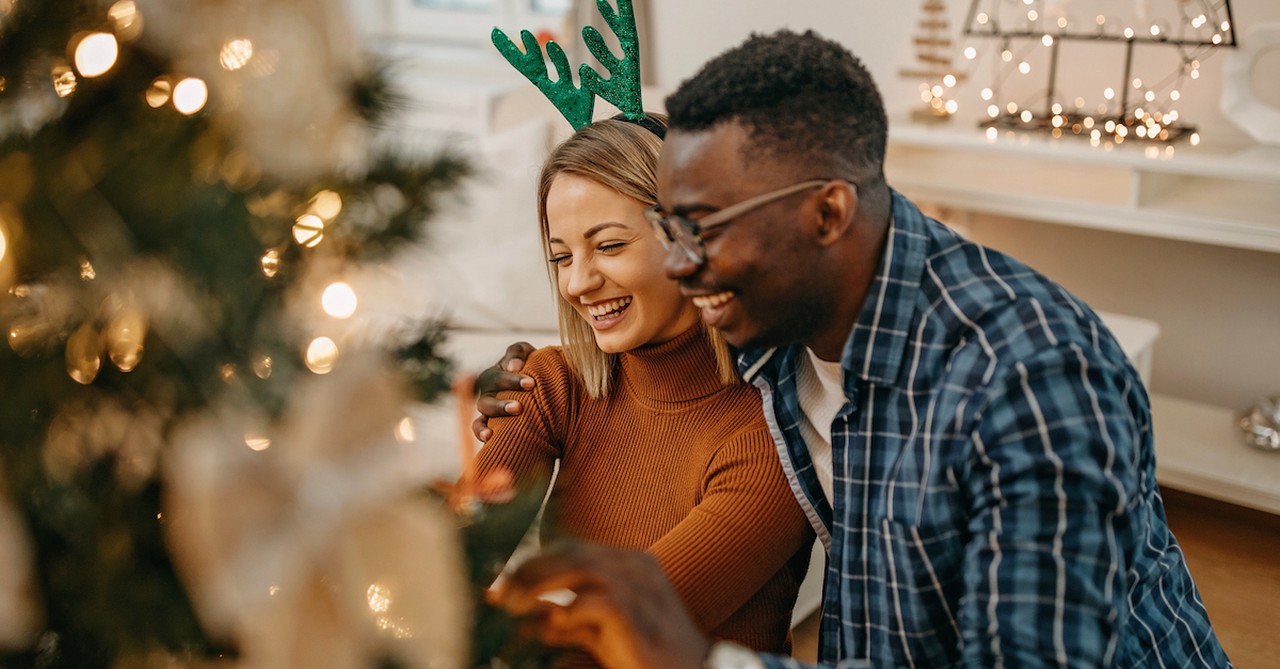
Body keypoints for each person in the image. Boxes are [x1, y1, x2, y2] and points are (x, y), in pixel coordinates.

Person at [476, 30, 1230, 669]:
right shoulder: (778, 336)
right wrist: (514, 388)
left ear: (826, 213)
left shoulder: (1028, 379)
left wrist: (700, 658)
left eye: (700, 228)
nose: (676, 264)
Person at [468, 113, 815, 666]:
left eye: (607, 245)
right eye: (562, 256)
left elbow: (603, 635)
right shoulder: (555, 382)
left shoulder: (766, 438)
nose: (578, 282)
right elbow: (447, 559)